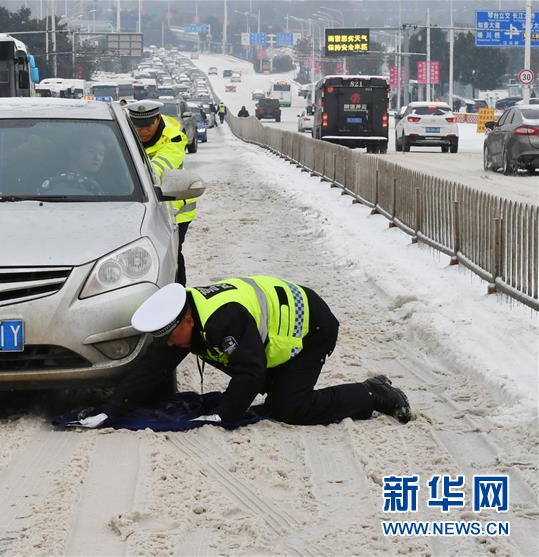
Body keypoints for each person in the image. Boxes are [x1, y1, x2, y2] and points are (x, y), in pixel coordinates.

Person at [69, 278, 412, 429]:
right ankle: (291, 384)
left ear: (186, 318)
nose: (171, 344)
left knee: (289, 408)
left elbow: (251, 372)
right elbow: (152, 368)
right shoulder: (184, 320)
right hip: (271, 341)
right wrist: (112, 409)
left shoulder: (222, 320)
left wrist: (224, 413)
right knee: (272, 394)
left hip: (311, 329)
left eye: (172, 336)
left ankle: (372, 393)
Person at [124, 100, 194, 286]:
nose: (143, 131)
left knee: (170, 255)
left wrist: (129, 175)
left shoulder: (174, 137)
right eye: (138, 127)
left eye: (147, 126)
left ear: (157, 119)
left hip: (173, 212)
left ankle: (179, 300)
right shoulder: (124, 133)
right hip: (135, 208)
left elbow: (161, 166)